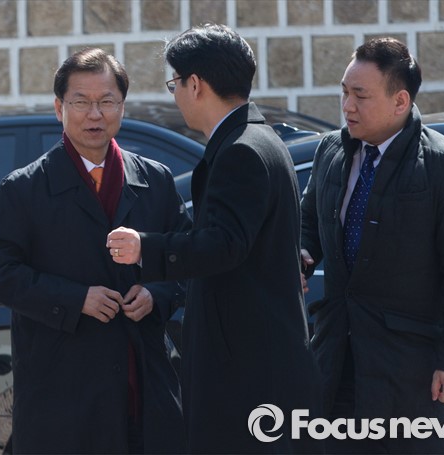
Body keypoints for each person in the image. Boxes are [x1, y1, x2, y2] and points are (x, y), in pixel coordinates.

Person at [107, 24, 323, 453]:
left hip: (246, 369)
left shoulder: (241, 149)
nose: (175, 95)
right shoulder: (258, 138)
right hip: (259, 360)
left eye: (174, 84)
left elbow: (223, 245)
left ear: (195, 84)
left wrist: (145, 246)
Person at [0, 48, 189, 454]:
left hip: (144, 381)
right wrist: (76, 299)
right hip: (63, 388)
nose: (95, 114)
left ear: (122, 107)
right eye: (81, 102)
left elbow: (186, 259)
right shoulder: (24, 188)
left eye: (107, 101)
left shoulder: (155, 181)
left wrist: (156, 294)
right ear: (59, 107)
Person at [299, 37, 444, 453]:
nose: (347, 106)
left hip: (411, 376)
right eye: (344, 92)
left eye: (360, 95)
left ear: (400, 101)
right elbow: (307, 220)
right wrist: (302, 251)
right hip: (335, 361)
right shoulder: (332, 150)